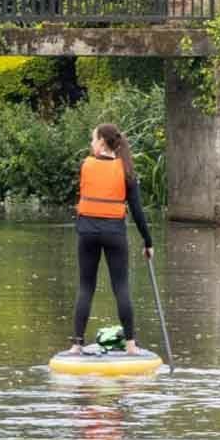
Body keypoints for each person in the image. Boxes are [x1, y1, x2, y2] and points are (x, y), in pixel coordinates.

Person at [65, 123, 154, 355]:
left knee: (86, 287)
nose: (91, 144)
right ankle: (131, 345)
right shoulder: (125, 169)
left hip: (87, 233)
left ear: (102, 142)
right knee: (121, 287)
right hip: (114, 233)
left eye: (93, 139)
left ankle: (76, 345)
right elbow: (137, 211)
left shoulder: (86, 165)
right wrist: (148, 242)